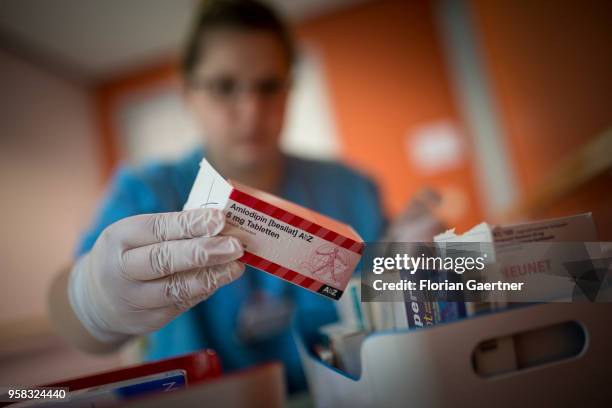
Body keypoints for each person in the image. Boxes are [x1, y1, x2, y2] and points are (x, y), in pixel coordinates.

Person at [48, 0, 386, 393]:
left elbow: (385, 305)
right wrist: (93, 301)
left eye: (269, 86)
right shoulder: (147, 193)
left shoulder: (350, 189)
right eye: (225, 87)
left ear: (289, 88)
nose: (251, 109)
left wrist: (432, 270)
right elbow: (72, 323)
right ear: (188, 92)